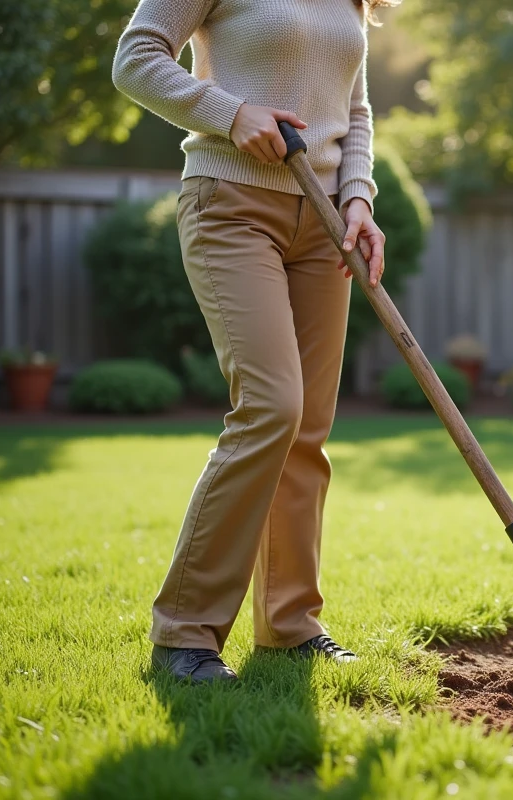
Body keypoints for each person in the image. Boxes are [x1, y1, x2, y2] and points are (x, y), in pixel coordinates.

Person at [112, 0, 394, 683]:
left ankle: (291, 627)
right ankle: (184, 632)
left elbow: (352, 108)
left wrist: (358, 198)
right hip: (230, 205)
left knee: (307, 430)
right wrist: (231, 113)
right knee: (271, 406)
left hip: (324, 222)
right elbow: (136, 59)